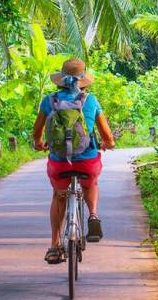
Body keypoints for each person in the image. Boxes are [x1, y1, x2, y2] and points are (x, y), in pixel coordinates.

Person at [32, 58, 115, 264]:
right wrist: (109, 143)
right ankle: (93, 215)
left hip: (59, 163)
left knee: (59, 195)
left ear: (61, 79)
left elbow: (37, 132)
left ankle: (54, 245)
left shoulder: (49, 101)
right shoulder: (91, 101)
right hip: (86, 161)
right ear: (83, 80)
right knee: (91, 183)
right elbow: (106, 134)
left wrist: (39, 143)